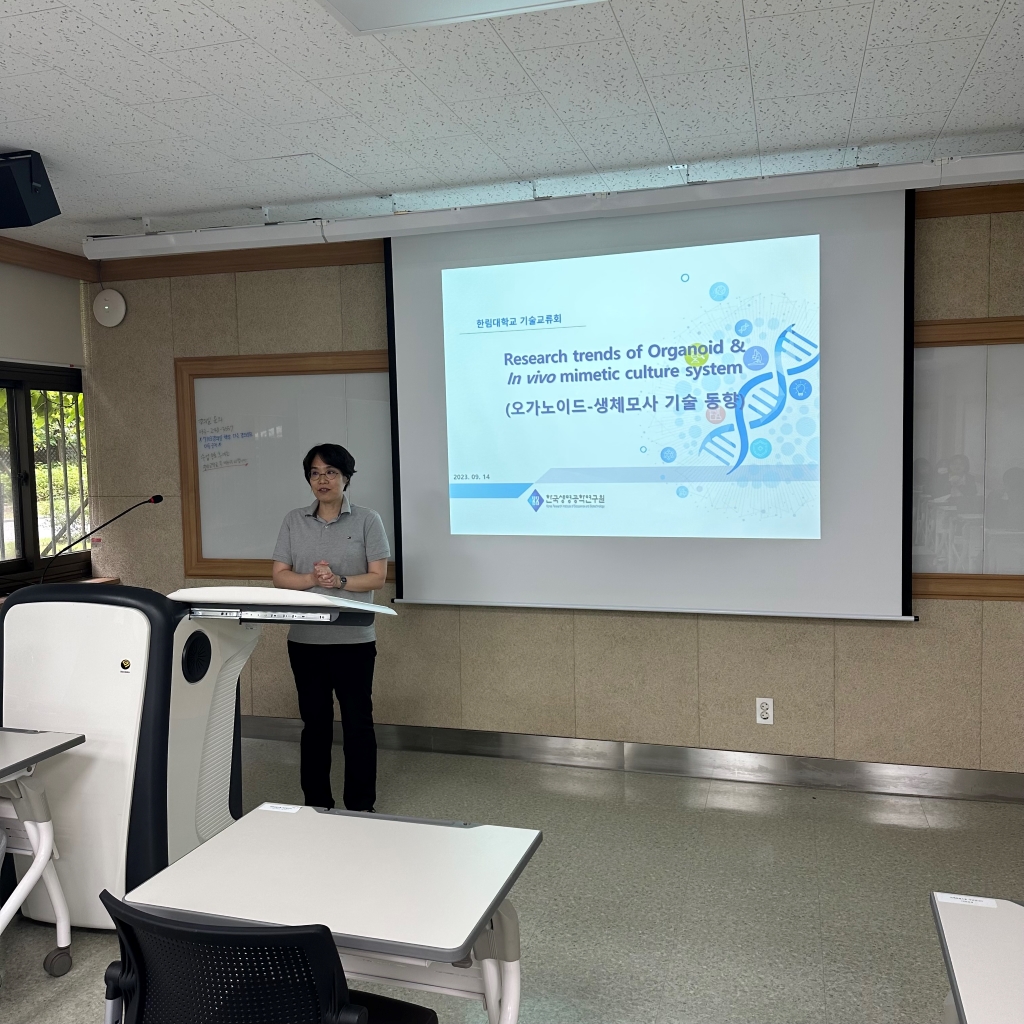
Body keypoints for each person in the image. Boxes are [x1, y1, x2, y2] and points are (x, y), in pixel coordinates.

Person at [272, 443, 390, 812]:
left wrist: (338, 581)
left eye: (331, 472)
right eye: (315, 473)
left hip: (354, 640)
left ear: (346, 477)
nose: (322, 480)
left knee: (358, 724)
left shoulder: (367, 519)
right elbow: (280, 576)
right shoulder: (294, 520)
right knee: (315, 725)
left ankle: (360, 805)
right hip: (305, 640)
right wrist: (311, 578)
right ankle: (317, 803)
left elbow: (377, 577)